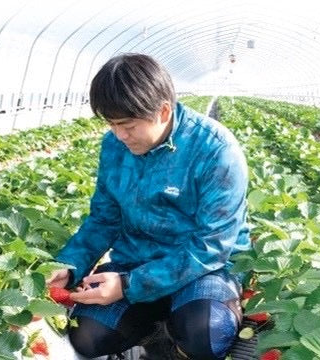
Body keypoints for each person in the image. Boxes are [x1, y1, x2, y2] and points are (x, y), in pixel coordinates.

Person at [47, 53, 250, 360]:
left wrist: (128, 286)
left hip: (204, 271)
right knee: (87, 337)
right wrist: (70, 266)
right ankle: (157, 332)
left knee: (205, 334)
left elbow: (211, 246)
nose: (119, 134)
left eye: (127, 125)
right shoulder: (115, 146)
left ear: (164, 111)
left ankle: (179, 339)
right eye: (112, 124)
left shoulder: (215, 150)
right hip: (135, 262)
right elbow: (105, 219)